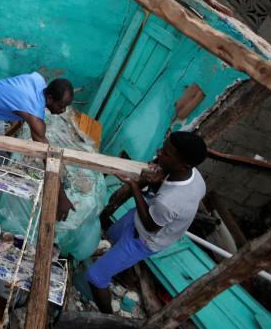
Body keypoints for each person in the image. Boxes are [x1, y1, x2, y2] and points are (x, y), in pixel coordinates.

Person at [86, 131, 207, 313]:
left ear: (183, 164)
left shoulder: (171, 201)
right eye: (162, 148)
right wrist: (158, 177)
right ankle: (115, 263)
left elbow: (150, 226)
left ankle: (108, 315)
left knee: (95, 277)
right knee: (112, 235)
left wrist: (134, 186)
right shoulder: (193, 175)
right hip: (141, 217)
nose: (159, 153)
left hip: (143, 239)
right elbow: (159, 195)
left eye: (166, 154)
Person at [0, 72, 74, 165]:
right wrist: (55, 179)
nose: (63, 110)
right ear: (49, 98)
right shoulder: (33, 114)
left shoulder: (38, 79)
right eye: (61, 106)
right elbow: (46, 151)